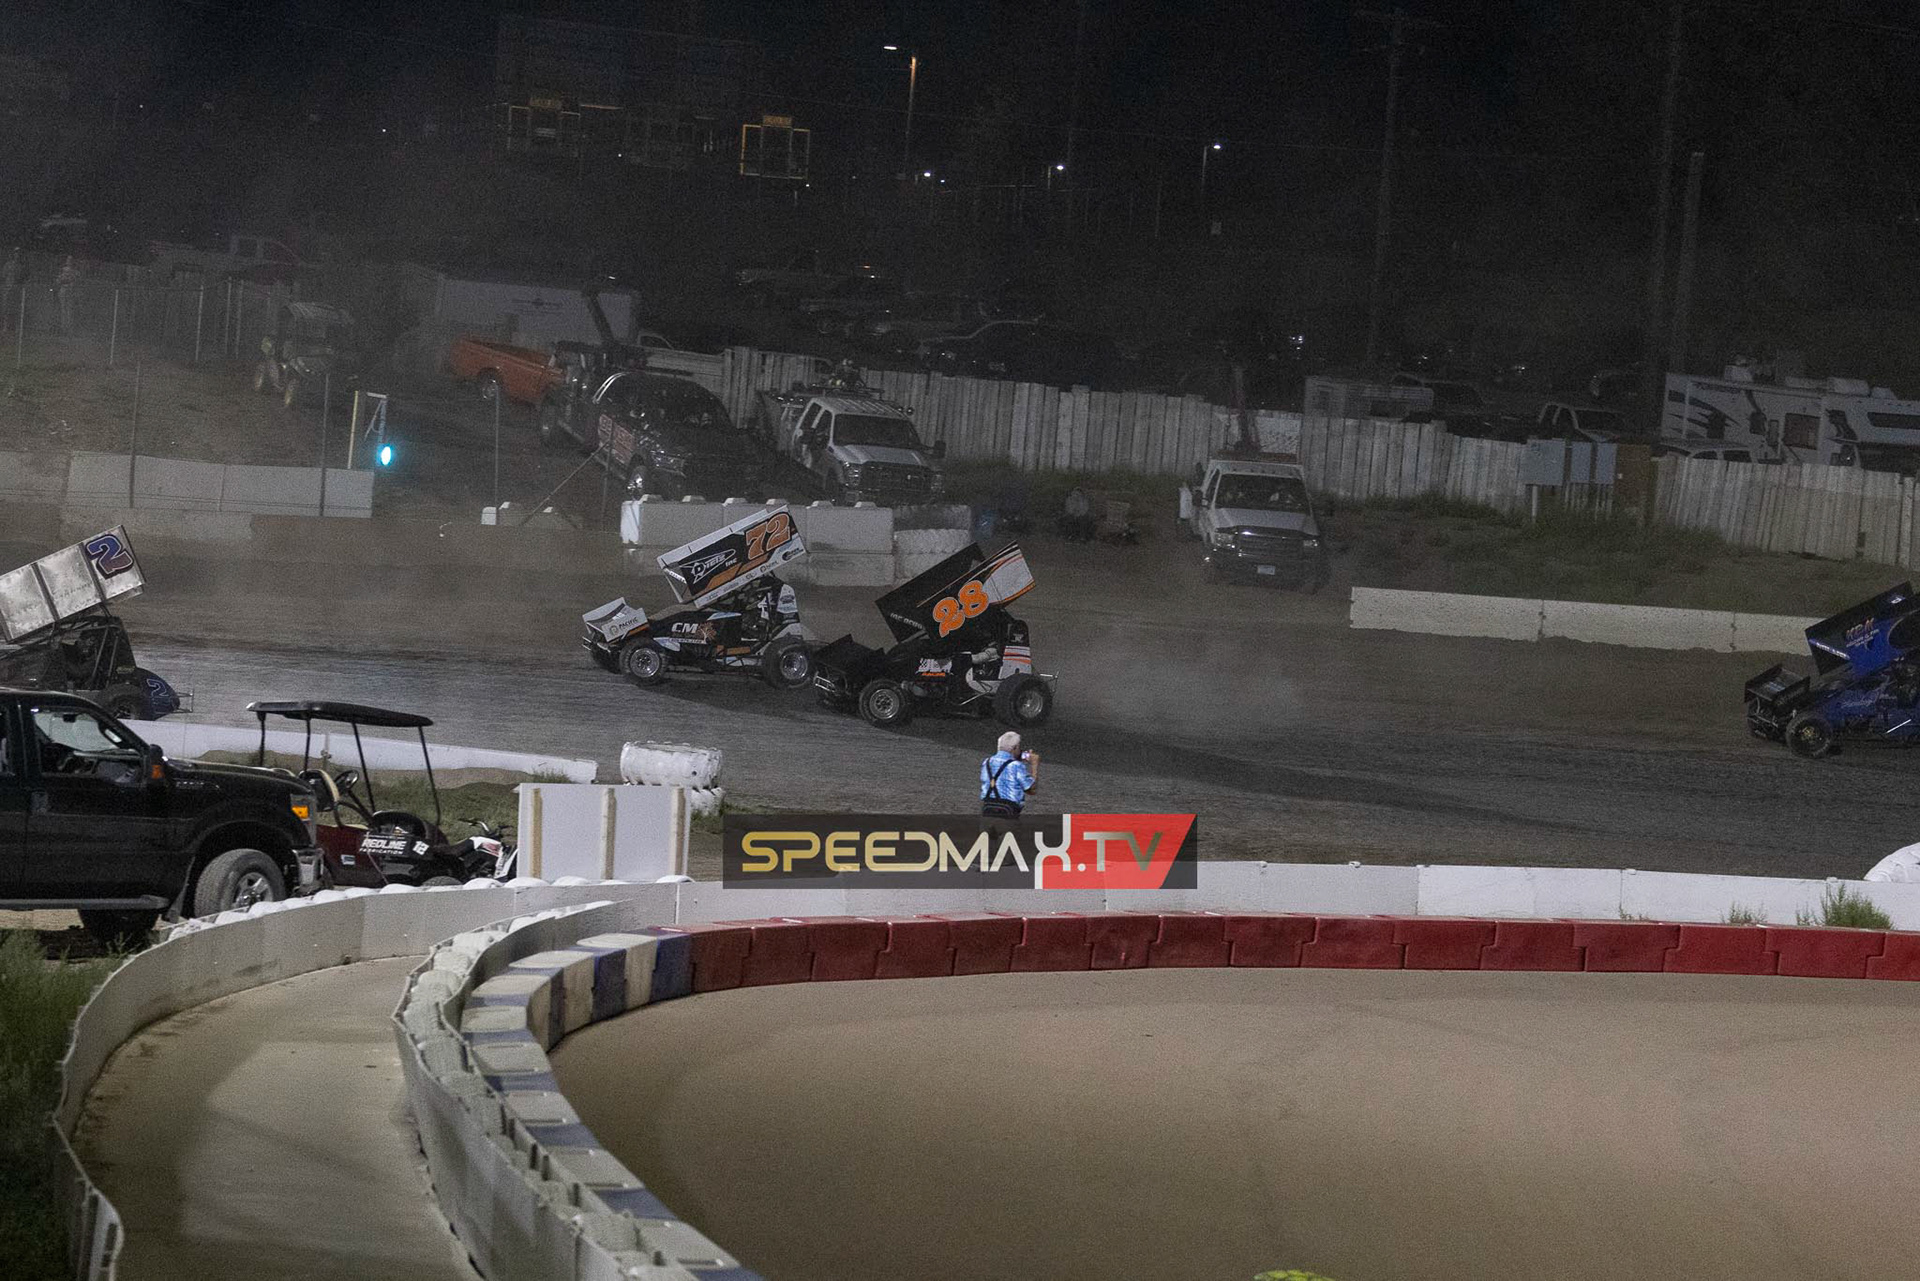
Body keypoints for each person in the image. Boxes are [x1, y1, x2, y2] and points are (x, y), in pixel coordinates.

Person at [980, 730, 1038, 819]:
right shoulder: (1017, 765)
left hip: (987, 809)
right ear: (1015, 748)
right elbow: (1031, 790)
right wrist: (1034, 765)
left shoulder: (986, 762)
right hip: (1008, 812)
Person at [56, 255, 79, 334]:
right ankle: (63, 328)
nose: (69, 261)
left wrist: (71, 282)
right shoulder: (62, 270)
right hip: (63, 290)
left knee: (70, 310)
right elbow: (58, 280)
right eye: (68, 260)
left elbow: (75, 281)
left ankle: (69, 329)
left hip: (71, 291)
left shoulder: (75, 271)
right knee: (63, 309)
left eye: (71, 260)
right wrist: (62, 280)